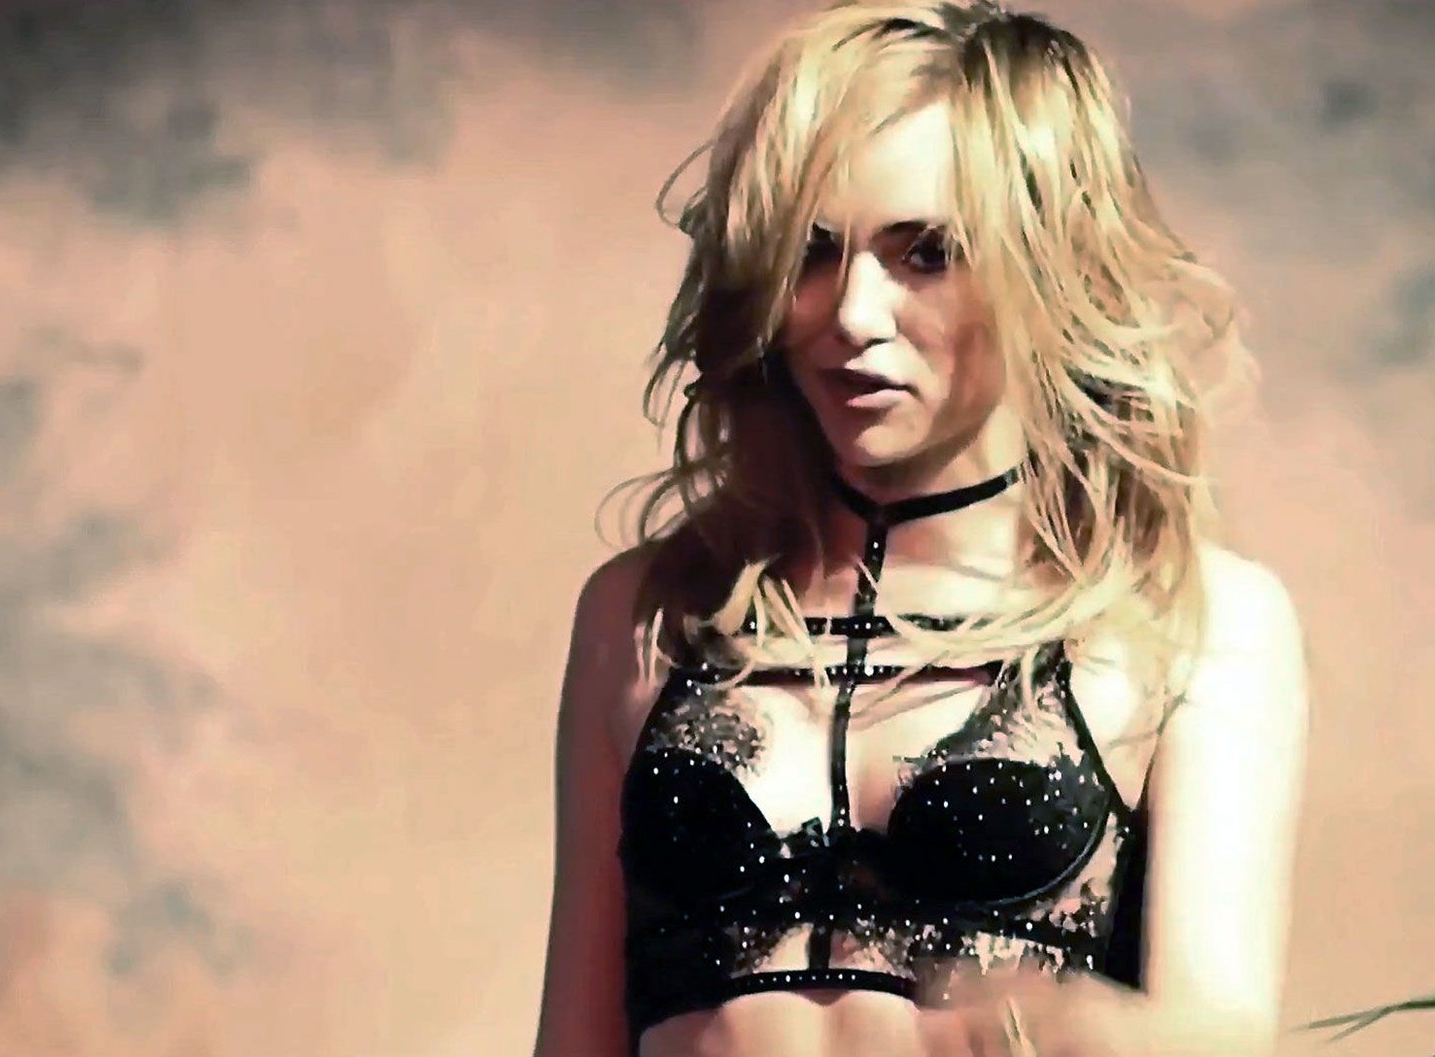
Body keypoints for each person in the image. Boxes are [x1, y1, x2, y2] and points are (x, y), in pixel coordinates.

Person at [532, 2, 1310, 1055]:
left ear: (1053, 261)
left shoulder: (1193, 620)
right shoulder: (645, 614)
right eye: (811, 254)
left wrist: (1067, 1029)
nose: (852, 315)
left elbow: (1222, 1039)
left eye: (928, 253)